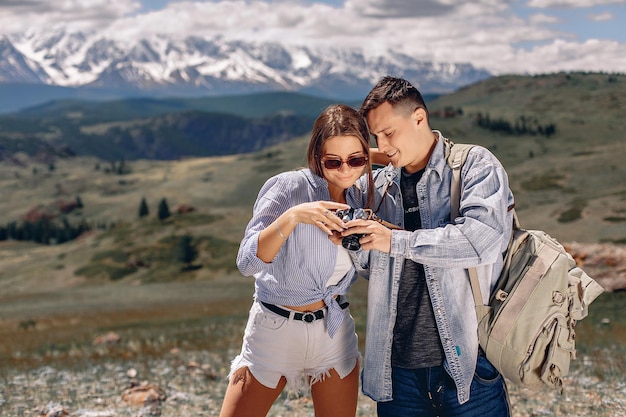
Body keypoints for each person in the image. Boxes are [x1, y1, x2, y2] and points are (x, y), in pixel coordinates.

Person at [343, 76, 515, 416]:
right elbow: (366, 267)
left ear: (419, 118)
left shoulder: (475, 165)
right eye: (375, 137)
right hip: (397, 372)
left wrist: (395, 240)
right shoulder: (377, 187)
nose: (383, 144)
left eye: (389, 133)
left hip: (468, 364)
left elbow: (481, 241)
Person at [218, 104, 375, 417]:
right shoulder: (289, 187)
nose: (345, 170)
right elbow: (247, 263)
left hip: (334, 331)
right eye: (333, 161)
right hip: (275, 329)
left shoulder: (363, 195)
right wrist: (292, 218)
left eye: (356, 159)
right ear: (317, 156)